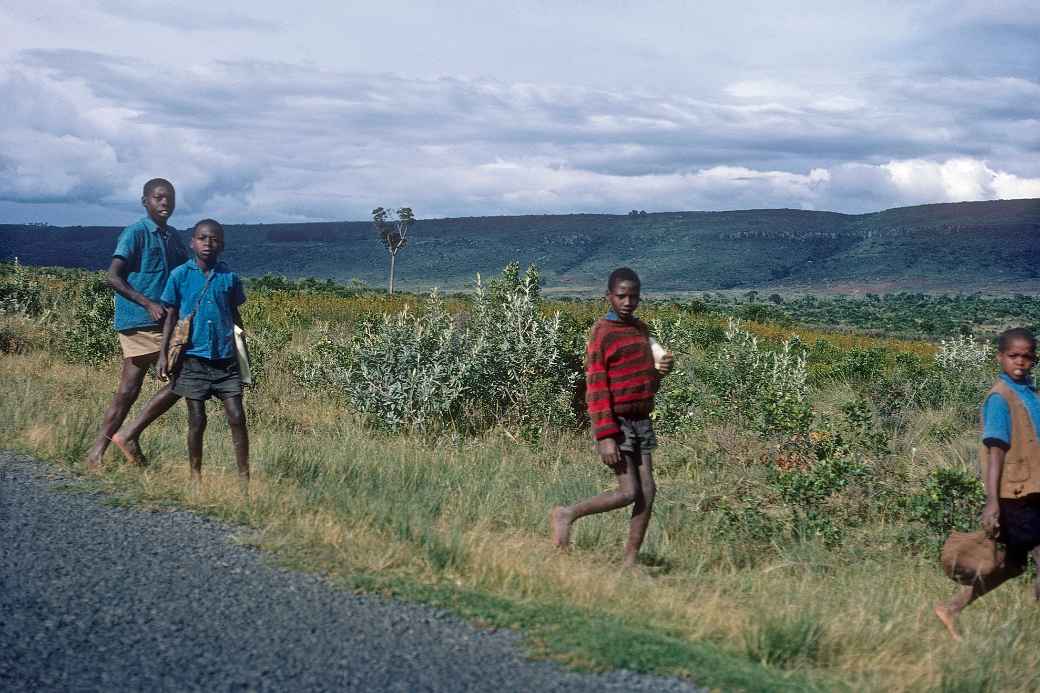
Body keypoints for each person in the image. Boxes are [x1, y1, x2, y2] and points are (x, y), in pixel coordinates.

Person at [551, 267, 674, 567]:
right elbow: (596, 386)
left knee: (648, 490)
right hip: (615, 423)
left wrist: (660, 372)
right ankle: (567, 513)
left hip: (640, 419)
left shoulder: (641, 331)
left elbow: (646, 382)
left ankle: (629, 561)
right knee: (629, 491)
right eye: (621, 296)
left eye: (634, 296)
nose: (628, 302)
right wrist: (605, 435)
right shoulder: (602, 334)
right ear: (608, 296)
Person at [935, 327, 1040, 640]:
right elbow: (996, 452)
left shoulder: (1030, 394)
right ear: (1000, 357)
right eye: (1013, 356)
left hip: (1033, 490)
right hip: (1013, 494)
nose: (1020, 362)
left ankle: (951, 608)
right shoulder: (1000, 397)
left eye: (1027, 357)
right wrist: (992, 501)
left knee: (1014, 565)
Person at [86, 178, 188, 469]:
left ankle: (96, 454)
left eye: (169, 197)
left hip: (163, 322)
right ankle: (129, 435)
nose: (164, 202)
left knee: (128, 391)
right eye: (158, 198)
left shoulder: (173, 238)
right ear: (145, 201)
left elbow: (184, 276)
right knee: (186, 376)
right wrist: (148, 303)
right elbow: (113, 276)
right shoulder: (136, 233)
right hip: (140, 320)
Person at [155, 219, 249, 487]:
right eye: (202, 238)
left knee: (237, 417)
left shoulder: (228, 278)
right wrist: (163, 355)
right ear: (192, 242)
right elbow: (171, 318)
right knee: (197, 419)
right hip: (192, 360)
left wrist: (244, 356)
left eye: (214, 239)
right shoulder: (180, 276)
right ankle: (195, 478)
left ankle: (244, 481)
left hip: (225, 361)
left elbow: (235, 315)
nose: (208, 244)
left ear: (223, 244)